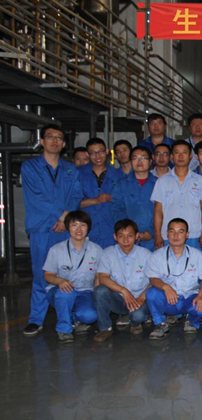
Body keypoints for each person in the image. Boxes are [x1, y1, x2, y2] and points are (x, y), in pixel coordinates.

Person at [22, 124, 83, 336]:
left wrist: (66, 220)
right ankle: (36, 319)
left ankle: (72, 316)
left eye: (59, 138)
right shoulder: (30, 167)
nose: (54, 141)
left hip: (65, 228)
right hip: (42, 227)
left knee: (69, 271)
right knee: (42, 273)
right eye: (50, 137)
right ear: (42, 141)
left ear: (64, 144)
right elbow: (37, 198)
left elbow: (76, 195)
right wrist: (63, 216)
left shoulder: (70, 169)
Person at [43, 211, 102, 342]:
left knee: (90, 316)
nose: (79, 229)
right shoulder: (56, 250)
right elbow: (47, 275)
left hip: (85, 291)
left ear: (88, 227)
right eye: (74, 225)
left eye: (83, 225)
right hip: (60, 292)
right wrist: (60, 281)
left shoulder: (97, 250)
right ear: (67, 227)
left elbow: (98, 276)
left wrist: (97, 296)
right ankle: (64, 329)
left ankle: (76, 319)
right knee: (66, 293)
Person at [146, 218, 202, 339]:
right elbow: (153, 279)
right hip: (169, 299)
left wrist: (201, 295)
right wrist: (166, 287)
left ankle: (190, 320)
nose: (176, 235)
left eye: (181, 231)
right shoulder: (157, 256)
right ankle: (160, 324)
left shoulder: (198, 255)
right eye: (172, 231)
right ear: (167, 234)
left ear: (187, 235)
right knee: (151, 293)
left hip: (190, 297)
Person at [93, 219, 152, 341]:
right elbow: (103, 278)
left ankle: (135, 323)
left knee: (138, 316)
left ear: (136, 236)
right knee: (100, 290)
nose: (125, 240)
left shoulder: (146, 255)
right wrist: (124, 291)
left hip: (139, 299)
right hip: (119, 299)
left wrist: (141, 298)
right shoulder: (107, 254)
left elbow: (154, 280)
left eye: (130, 236)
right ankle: (105, 328)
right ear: (115, 237)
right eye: (121, 236)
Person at [151, 140, 202, 251]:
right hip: (168, 236)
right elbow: (158, 211)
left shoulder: (200, 181)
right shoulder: (162, 181)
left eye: (184, 152)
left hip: (194, 235)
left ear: (190, 156)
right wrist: (158, 235)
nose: (180, 156)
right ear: (171, 156)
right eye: (177, 152)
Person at [111, 146, 158, 251]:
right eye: (135, 158)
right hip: (127, 240)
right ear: (131, 161)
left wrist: (151, 232)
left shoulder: (159, 184)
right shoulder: (121, 184)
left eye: (143, 158)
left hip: (153, 239)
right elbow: (116, 209)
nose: (139, 161)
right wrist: (129, 231)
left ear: (150, 161)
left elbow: (163, 211)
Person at [78, 137, 122, 248]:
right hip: (85, 229)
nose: (97, 156)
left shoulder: (118, 175)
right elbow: (70, 202)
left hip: (110, 230)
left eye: (100, 152)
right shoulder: (77, 174)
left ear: (107, 151)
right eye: (93, 153)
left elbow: (124, 204)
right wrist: (95, 200)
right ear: (87, 154)